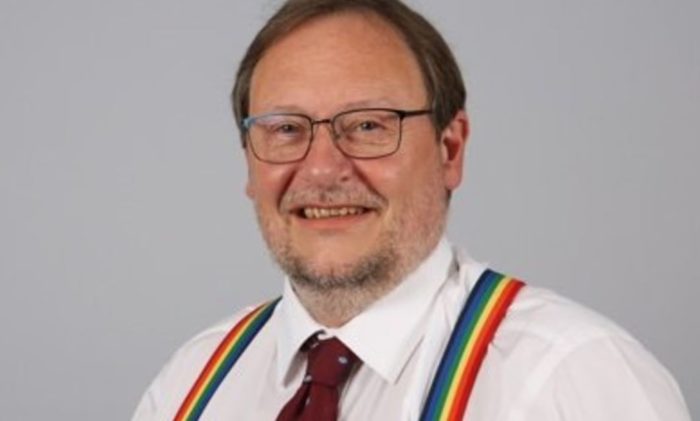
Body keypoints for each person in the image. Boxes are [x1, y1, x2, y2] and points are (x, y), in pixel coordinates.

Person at [133, 0, 691, 420]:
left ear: (450, 150)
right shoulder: (191, 386)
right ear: (248, 163)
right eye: (285, 130)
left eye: (368, 125)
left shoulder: (573, 379)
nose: (322, 169)